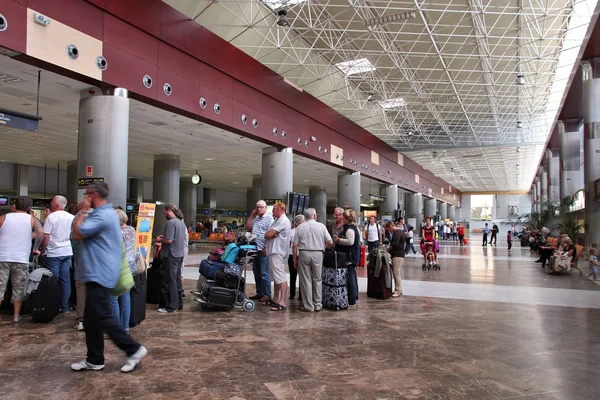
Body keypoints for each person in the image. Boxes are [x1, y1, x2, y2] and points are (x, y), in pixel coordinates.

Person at [70, 182, 147, 373]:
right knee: (90, 320)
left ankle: (134, 350)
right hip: (96, 272)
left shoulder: (103, 215)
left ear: (93, 195)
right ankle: (95, 359)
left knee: (103, 316)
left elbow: (77, 234)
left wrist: (82, 211)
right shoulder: (103, 214)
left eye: (86, 194)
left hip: (100, 273)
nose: (84, 198)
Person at [0, 197, 44, 323]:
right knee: (18, 288)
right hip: (21, 258)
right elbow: (40, 232)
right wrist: (35, 248)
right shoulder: (32, 219)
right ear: (29, 208)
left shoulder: (4, 217)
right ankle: (16, 315)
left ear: (14, 206)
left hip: (2, 257)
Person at [292, 208, 333, 312]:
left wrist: (294, 259)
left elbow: (295, 245)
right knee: (317, 279)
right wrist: (322, 247)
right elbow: (330, 242)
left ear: (305, 217)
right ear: (315, 216)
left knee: (306, 280)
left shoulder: (300, 227)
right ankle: (317, 304)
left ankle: (308, 306)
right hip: (318, 253)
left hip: (304, 253)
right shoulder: (321, 226)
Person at [41, 195, 75, 313]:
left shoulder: (51, 217)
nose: (50, 203)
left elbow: (46, 236)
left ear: (55, 205)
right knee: (65, 280)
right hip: (67, 252)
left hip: (53, 253)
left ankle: (53, 306)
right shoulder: (72, 217)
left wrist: (42, 249)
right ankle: (64, 306)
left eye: (52, 202)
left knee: (53, 280)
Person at [155, 203, 187, 313]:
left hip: (171, 255)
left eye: (164, 212)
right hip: (179, 254)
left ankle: (171, 306)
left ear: (168, 210)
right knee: (177, 279)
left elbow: (169, 240)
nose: (164, 214)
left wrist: (159, 240)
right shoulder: (180, 222)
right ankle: (178, 303)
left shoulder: (171, 222)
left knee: (171, 280)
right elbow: (175, 237)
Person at [110, 209, 136, 332]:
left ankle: (116, 328)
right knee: (126, 296)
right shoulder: (132, 230)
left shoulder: (115, 232)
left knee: (113, 297)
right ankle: (125, 326)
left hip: (117, 266)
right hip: (130, 265)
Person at [264, 202, 291, 311]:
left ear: (280, 209)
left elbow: (267, 235)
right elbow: (268, 234)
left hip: (278, 252)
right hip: (273, 251)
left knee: (280, 277)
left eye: (274, 209)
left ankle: (282, 301)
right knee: (276, 277)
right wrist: (269, 234)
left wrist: (270, 234)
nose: (272, 211)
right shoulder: (276, 221)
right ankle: (275, 299)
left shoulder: (283, 221)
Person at [246, 200, 274, 303]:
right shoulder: (256, 219)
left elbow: (271, 234)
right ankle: (260, 292)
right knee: (256, 272)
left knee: (264, 272)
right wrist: (251, 215)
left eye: (261, 207)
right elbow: (248, 227)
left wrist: (265, 247)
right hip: (254, 249)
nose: (259, 209)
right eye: (257, 207)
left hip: (263, 249)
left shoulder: (269, 218)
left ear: (265, 208)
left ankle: (267, 294)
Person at [333, 210, 360, 307]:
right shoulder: (353, 228)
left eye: (343, 217)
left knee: (350, 277)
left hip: (349, 256)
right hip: (353, 255)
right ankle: (354, 297)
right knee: (352, 275)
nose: (342, 219)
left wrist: (339, 240)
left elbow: (350, 241)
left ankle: (352, 299)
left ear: (347, 219)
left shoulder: (349, 229)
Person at [385, 221, 405, 297]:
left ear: (391, 226)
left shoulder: (397, 232)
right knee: (397, 273)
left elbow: (394, 244)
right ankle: (400, 289)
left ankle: (397, 291)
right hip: (398, 254)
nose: (389, 231)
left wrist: (387, 249)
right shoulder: (398, 232)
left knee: (396, 272)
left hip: (398, 255)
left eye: (388, 229)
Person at [288, 214, 304, 301]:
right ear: (298, 223)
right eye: (302, 221)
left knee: (301, 276)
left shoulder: (303, 231)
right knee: (293, 275)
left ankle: (300, 294)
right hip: (292, 254)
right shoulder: (292, 232)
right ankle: (292, 293)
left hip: (300, 254)